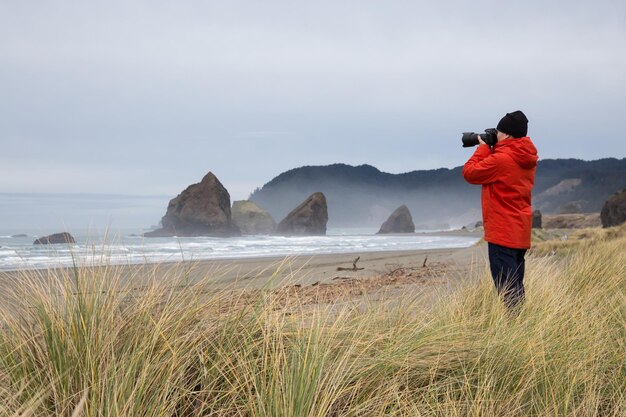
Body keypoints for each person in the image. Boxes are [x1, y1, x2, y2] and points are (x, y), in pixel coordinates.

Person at [462, 111, 538, 310]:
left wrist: (483, 148)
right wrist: (493, 148)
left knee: (507, 291)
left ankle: (516, 333)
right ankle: (524, 328)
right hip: (519, 232)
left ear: (508, 135)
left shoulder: (502, 160)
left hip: (502, 232)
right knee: (516, 285)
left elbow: (469, 173)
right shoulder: (526, 157)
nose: (498, 134)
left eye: (500, 131)